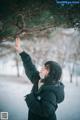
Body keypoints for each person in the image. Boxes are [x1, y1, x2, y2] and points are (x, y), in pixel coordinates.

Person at [15, 37, 65, 120]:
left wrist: (30, 98)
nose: (42, 68)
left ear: (52, 74)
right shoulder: (39, 80)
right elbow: (30, 67)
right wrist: (21, 51)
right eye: (44, 66)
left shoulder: (51, 92)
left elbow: (45, 112)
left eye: (46, 68)